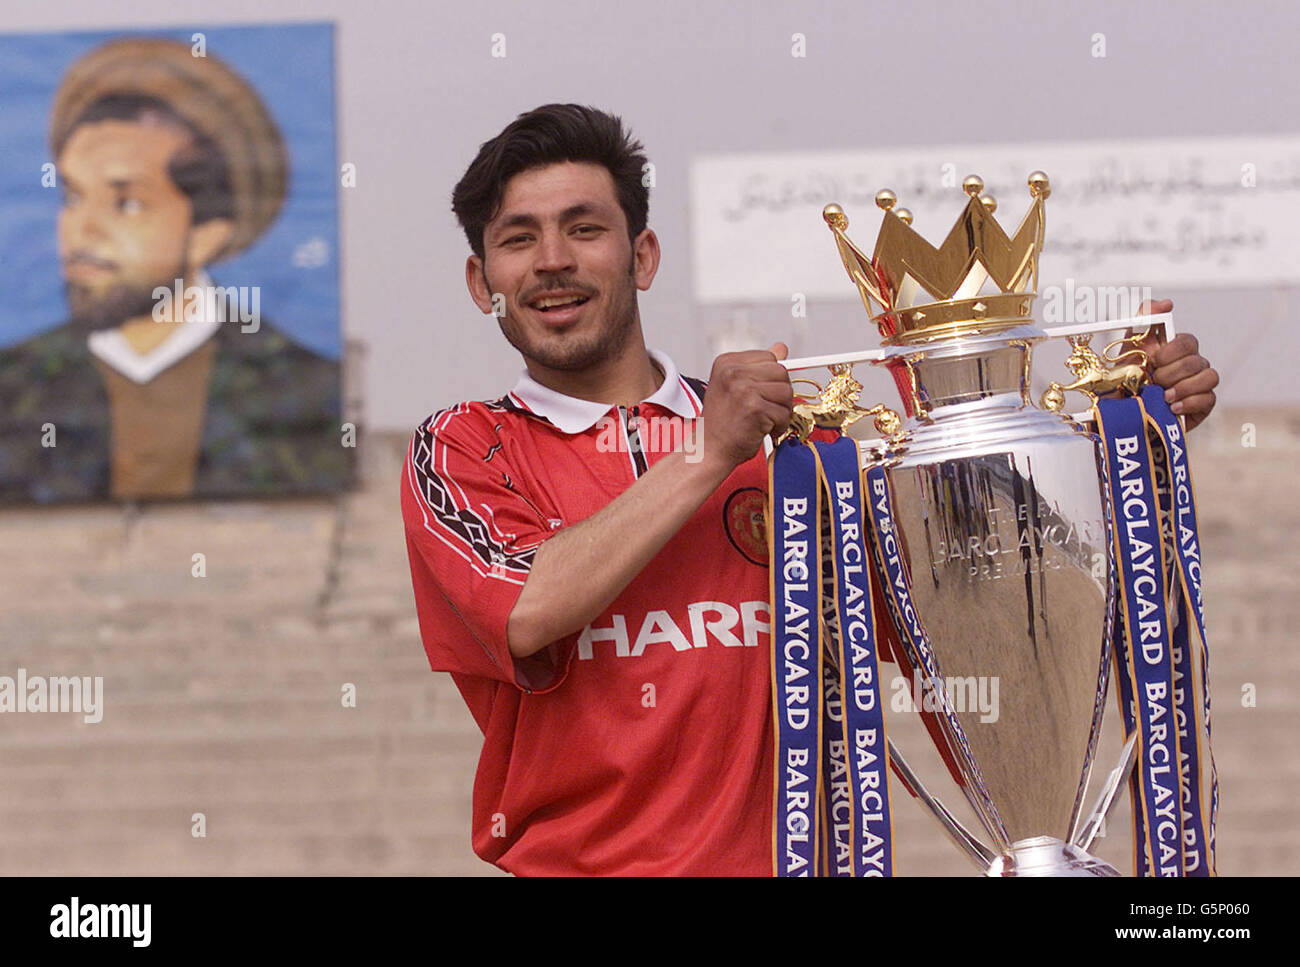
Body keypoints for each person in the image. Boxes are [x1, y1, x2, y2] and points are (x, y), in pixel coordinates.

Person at [400, 104, 1221, 876]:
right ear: (483, 281)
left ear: (642, 256)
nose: (553, 261)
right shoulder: (466, 447)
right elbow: (525, 606)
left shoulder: (801, 455)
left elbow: (988, 614)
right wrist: (709, 451)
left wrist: (1131, 443)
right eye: (520, 239)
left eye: (585, 229)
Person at [0, 37, 346, 503]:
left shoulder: (303, 387)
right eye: (73, 197)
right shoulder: (15, 382)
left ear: (208, 234)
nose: (83, 231)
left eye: (127, 203)